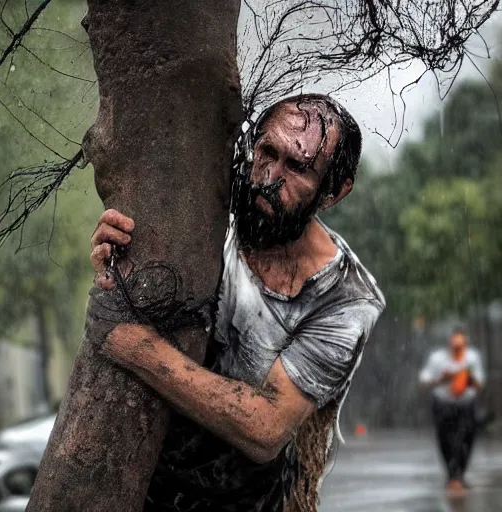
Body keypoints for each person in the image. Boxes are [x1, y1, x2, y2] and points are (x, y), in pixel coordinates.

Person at [90, 94, 385, 511]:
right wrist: (114, 254)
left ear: (334, 191)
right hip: (142, 484)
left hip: (248, 502)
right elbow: (130, 277)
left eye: (298, 167)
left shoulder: (346, 300)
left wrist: (133, 346)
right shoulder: (207, 212)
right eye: (267, 151)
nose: (269, 177)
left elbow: (265, 428)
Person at [419, 327, 485, 493]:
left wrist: (468, 380)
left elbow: (479, 384)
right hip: (443, 403)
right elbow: (424, 380)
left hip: (465, 403)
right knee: (446, 439)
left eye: (460, 345)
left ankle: (459, 474)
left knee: (466, 439)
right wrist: (441, 379)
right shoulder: (438, 358)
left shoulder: (472, 357)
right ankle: (453, 475)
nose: (457, 348)